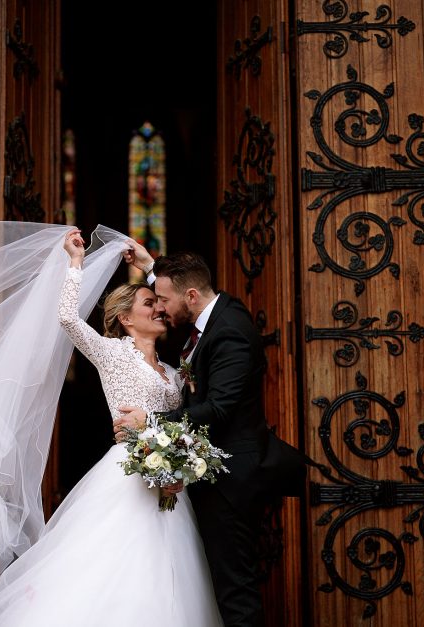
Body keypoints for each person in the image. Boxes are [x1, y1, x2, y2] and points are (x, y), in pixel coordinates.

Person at [0, 223, 222, 626]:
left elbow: (192, 314)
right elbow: (68, 318)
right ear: (124, 319)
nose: (159, 308)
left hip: (169, 488)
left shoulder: (176, 374)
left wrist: (179, 469)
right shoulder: (111, 354)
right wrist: (75, 262)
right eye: (148, 303)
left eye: (160, 303)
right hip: (126, 478)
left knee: (171, 573)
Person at [117, 243, 280, 627]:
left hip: (232, 481)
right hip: (214, 477)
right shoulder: (217, 312)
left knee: (235, 591)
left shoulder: (230, 333)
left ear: (190, 296)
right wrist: (152, 267)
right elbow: (181, 285)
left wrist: (150, 420)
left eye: (163, 299)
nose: (161, 307)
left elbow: (219, 409)